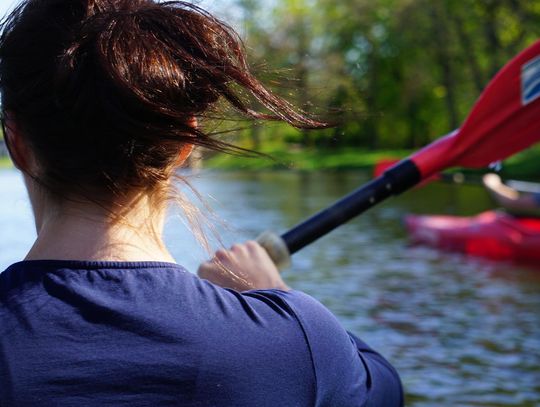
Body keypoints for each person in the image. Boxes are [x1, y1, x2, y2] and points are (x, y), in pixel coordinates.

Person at [0, 0, 403, 405]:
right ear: (183, 143)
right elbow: (385, 390)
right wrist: (277, 295)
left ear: (15, 141)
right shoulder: (295, 342)